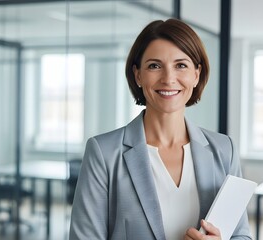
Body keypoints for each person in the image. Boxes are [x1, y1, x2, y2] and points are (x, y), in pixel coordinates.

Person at [69, 18, 252, 240]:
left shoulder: (224, 150)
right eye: (154, 66)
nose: (168, 78)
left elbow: (241, 235)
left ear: (196, 74)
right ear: (138, 75)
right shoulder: (104, 153)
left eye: (181, 65)